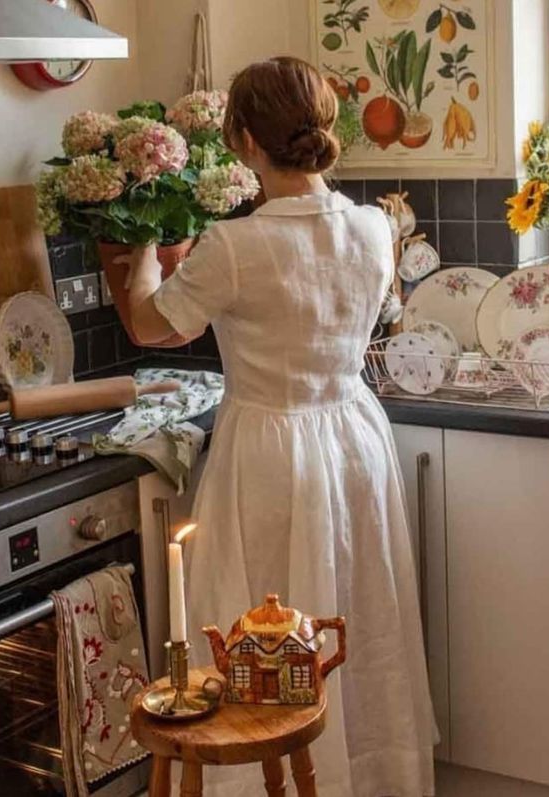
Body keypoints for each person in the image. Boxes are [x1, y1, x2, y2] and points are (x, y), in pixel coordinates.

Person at [123, 56, 438, 797]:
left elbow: (147, 322)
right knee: (357, 613)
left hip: (269, 446)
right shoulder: (372, 224)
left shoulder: (234, 245)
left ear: (243, 141)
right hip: (356, 433)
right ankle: (365, 775)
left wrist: (143, 253)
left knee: (261, 627)